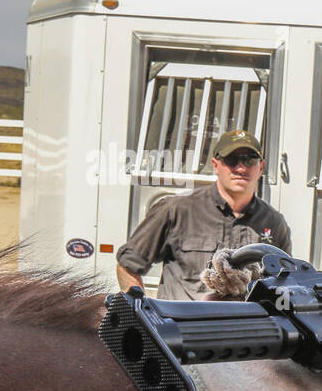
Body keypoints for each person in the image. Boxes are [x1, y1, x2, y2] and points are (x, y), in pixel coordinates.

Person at [115, 129, 292, 300]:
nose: (240, 167)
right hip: (182, 327)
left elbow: (286, 282)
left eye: (249, 160)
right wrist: (143, 313)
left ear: (260, 167)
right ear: (216, 165)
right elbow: (127, 266)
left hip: (244, 328)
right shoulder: (176, 210)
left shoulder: (274, 223)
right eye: (231, 159)